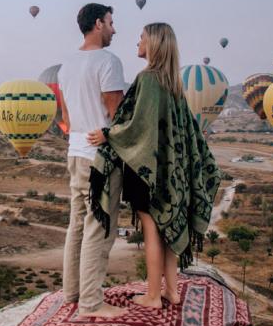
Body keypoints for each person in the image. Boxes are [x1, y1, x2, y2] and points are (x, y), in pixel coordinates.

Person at [87, 23, 221, 309]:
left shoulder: (148, 79)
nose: (138, 42)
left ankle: (152, 296)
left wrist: (108, 134)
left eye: (142, 38)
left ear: (154, 44)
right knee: (169, 228)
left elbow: (137, 125)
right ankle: (171, 291)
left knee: (152, 231)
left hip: (147, 170)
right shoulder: (172, 82)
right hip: (172, 170)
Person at [57, 3, 127, 318]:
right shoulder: (108, 62)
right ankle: (91, 303)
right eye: (111, 22)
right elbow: (119, 115)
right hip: (99, 156)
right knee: (99, 228)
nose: (114, 29)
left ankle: (72, 293)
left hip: (75, 150)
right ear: (98, 23)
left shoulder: (66, 64)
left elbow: (68, 118)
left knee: (77, 225)